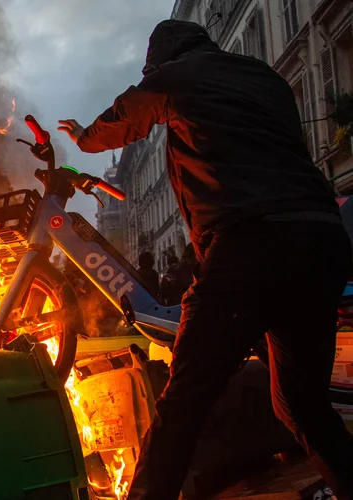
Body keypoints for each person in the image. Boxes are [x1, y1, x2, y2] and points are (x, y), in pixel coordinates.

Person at [58, 20, 353, 500]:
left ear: (159, 61)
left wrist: (81, 137)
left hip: (250, 242)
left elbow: (119, 121)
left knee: (185, 400)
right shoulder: (265, 78)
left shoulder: (176, 77)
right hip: (321, 237)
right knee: (302, 404)